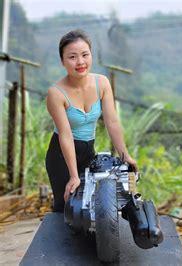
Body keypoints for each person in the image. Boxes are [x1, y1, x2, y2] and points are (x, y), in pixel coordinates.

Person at [45, 30, 137, 212]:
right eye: (72, 57)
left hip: (88, 152)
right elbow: (65, 134)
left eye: (85, 55)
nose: (80, 62)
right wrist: (73, 175)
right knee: (67, 205)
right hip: (61, 155)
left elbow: (112, 122)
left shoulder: (101, 83)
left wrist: (125, 155)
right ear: (63, 61)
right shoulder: (55, 93)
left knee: (91, 206)